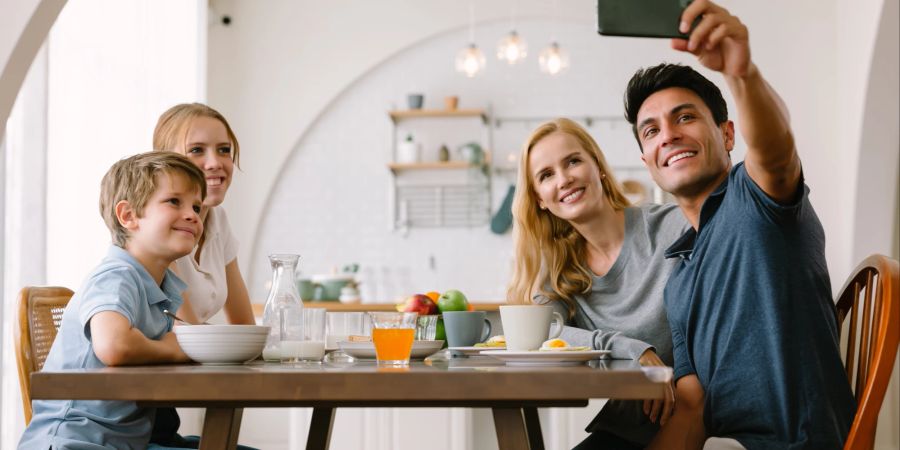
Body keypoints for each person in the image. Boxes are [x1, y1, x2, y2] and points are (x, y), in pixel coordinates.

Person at [622, 1, 856, 448]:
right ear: (647, 162)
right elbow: (691, 406)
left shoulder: (754, 199)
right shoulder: (680, 277)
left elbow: (776, 149)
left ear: (728, 135)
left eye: (685, 117)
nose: (667, 134)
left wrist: (740, 73)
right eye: (650, 131)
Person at [506, 118, 689, 448]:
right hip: (627, 429)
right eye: (546, 175)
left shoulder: (671, 228)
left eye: (573, 161)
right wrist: (633, 349)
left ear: (598, 167)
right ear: (540, 199)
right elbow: (544, 331)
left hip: (694, 416)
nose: (564, 179)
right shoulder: (559, 270)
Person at [18, 152, 203, 449]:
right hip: (76, 441)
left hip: (120, 441)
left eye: (196, 206)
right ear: (128, 216)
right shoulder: (116, 276)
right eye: (174, 202)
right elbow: (114, 345)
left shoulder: (158, 284)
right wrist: (175, 349)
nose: (193, 214)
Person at [150, 104, 256, 447]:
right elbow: (192, 338)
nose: (216, 162)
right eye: (197, 150)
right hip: (130, 428)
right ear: (166, 161)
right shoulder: (161, 232)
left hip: (160, 421)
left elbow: (243, 326)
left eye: (224, 150)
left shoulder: (217, 221)